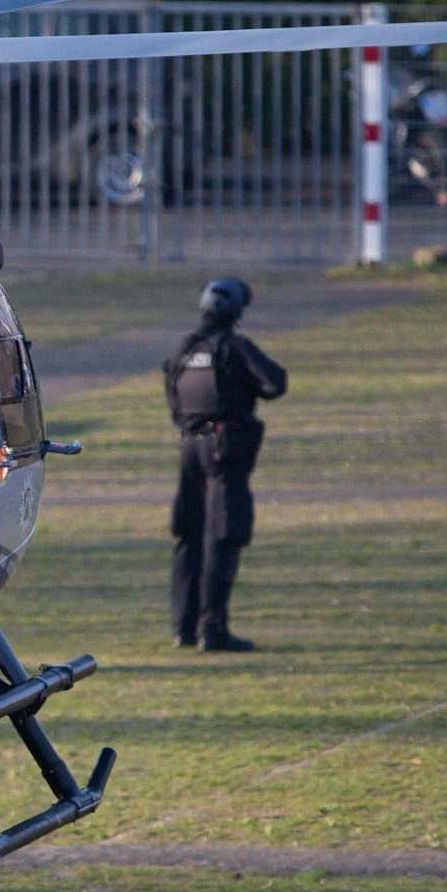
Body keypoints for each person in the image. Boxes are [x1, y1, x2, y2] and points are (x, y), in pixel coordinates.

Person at [164, 277, 286, 652]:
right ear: (236, 312)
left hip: (189, 449)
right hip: (225, 451)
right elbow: (275, 383)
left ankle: (183, 629)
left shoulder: (185, 351)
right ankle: (213, 631)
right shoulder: (234, 347)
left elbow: (174, 401)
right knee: (223, 534)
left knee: (190, 536)